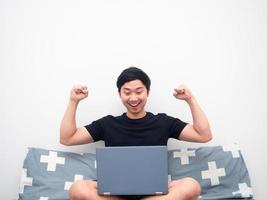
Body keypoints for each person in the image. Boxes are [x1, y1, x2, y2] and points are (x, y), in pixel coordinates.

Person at [60, 67, 212, 200]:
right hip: (115, 195)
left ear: (148, 91)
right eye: (127, 92)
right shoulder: (107, 124)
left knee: (191, 186)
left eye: (139, 91)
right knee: (77, 189)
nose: (133, 98)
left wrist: (190, 99)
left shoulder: (164, 122)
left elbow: (204, 135)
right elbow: (68, 138)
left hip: (156, 195)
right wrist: (74, 101)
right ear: (119, 94)